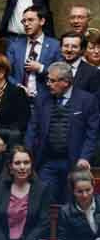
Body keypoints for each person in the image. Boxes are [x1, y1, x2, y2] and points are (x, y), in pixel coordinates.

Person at [26, 61, 99, 203]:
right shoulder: (42, 100)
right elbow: (32, 129)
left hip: (74, 163)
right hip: (47, 161)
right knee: (44, 201)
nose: (48, 84)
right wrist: (27, 155)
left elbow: (92, 134)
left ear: (66, 82)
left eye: (52, 81)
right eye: (47, 80)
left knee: (71, 203)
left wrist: (84, 157)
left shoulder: (87, 100)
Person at [7, 6, 61, 99]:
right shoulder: (15, 46)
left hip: (45, 99)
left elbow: (62, 73)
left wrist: (41, 68)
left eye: (30, 20)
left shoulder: (55, 45)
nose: (26, 24)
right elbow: (6, 72)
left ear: (42, 21)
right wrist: (18, 86)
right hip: (19, 97)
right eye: (24, 21)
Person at [61, 171, 100, 240]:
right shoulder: (66, 212)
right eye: (79, 191)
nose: (85, 195)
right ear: (73, 191)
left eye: (88, 190)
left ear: (94, 187)